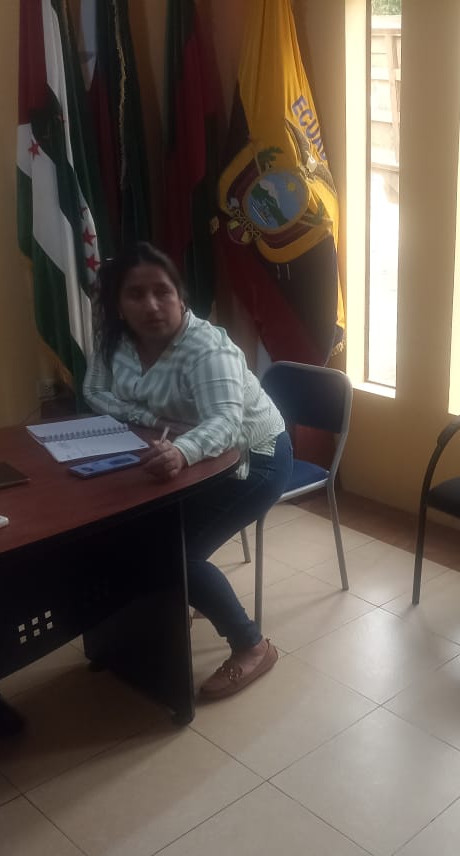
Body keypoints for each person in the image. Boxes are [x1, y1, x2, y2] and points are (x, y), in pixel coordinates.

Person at [85, 243, 292, 701]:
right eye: (135, 294)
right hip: (183, 454)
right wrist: (148, 419)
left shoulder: (206, 348)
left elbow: (226, 423)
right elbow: (95, 392)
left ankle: (252, 646)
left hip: (254, 457)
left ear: (180, 297)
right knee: (121, 530)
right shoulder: (116, 341)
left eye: (162, 291)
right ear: (118, 305)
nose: (151, 305)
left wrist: (182, 450)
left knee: (173, 553)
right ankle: (156, 610)